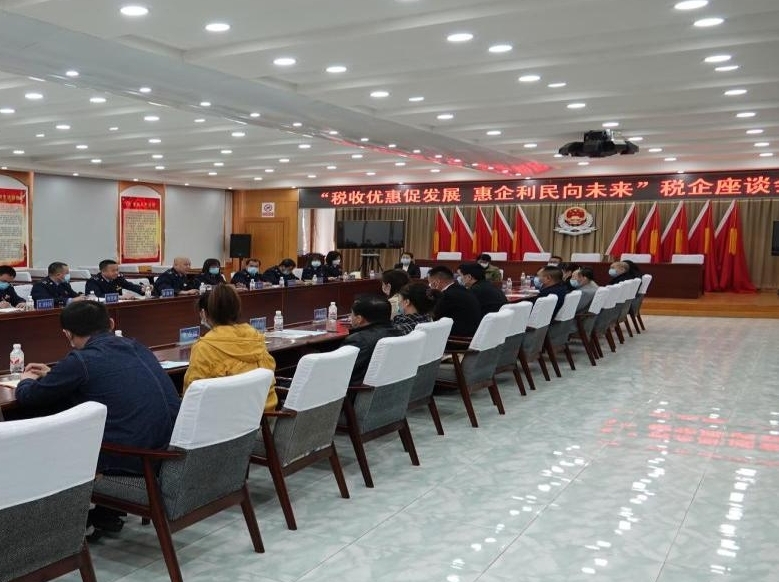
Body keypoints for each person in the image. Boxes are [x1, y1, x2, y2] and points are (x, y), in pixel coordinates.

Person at [15, 301, 180, 534]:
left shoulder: (80, 360)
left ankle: (55, 528)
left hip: (133, 458)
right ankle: (105, 514)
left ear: (67, 334)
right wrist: (56, 374)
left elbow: (29, 397)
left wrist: (25, 381)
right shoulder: (138, 346)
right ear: (111, 324)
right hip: (165, 449)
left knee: (48, 432)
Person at [184, 285, 278, 412]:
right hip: (266, 415)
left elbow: (191, 395)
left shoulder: (204, 347)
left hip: (227, 420)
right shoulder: (255, 337)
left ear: (204, 314)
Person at [342, 294, 401, 385]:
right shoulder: (398, 332)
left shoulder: (358, 340)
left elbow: (341, 371)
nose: (350, 317)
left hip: (357, 390)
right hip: (389, 386)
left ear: (359, 319)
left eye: (352, 313)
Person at [427, 265, 480, 337]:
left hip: (457, 339)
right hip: (472, 334)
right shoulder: (463, 290)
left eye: (430, 283)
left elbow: (434, 318)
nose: (430, 286)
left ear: (437, 282)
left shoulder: (446, 296)